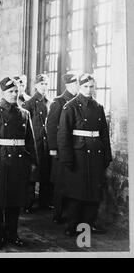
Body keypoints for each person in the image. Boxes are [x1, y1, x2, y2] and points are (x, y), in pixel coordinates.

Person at [0, 77, 37, 249]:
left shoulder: (24, 114)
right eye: (10, 92)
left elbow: (30, 140)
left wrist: (33, 161)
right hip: (1, 161)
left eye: (15, 91)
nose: (14, 94)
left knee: (15, 202)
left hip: (19, 163)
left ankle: (12, 235)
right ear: (3, 93)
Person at [57, 73, 112, 236]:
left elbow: (104, 133)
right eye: (85, 86)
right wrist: (67, 158)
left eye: (91, 86)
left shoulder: (98, 107)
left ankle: (89, 223)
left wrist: (107, 156)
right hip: (78, 155)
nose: (89, 89)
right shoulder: (70, 106)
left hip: (96, 154)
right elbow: (63, 135)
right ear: (80, 87)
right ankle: (73, 225)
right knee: (76, 191)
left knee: (94, 191)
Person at [46, 73, 79, 224]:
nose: (77, 86)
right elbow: (51, 126)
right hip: (61, 147)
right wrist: (53, 147)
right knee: (60, 182)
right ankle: (57, 214)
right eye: (75, 83)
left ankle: (71, 213)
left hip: (75, 147)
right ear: (68, 85)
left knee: (72, 180)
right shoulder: (58, 102)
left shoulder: (78, 101)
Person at [22, 73, 52, 213]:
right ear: (35, 86)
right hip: (34, 144)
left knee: (45, 173)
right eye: (42, 84)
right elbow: (25, 127)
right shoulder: (29, 103)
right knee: (32, 175)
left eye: (46, 84)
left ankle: (44, 203)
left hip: (46, 144)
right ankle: (27, 203)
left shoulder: (49, 102)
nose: (44, 86)